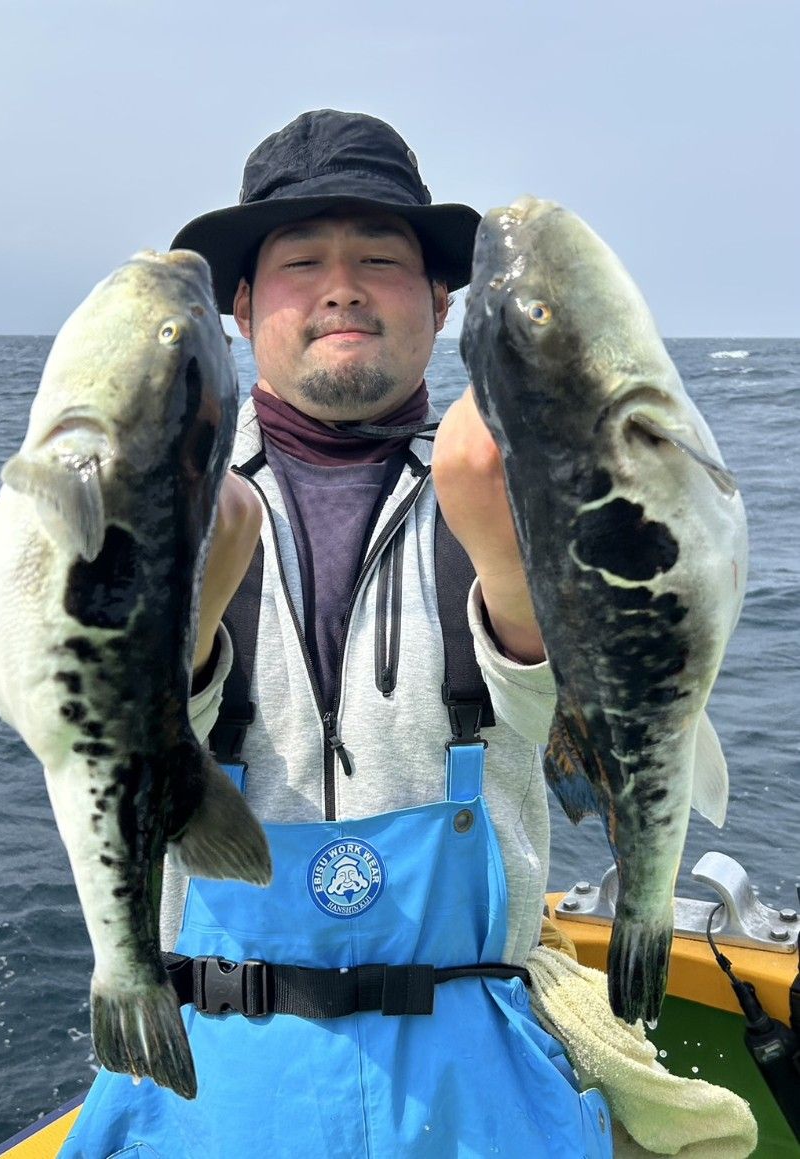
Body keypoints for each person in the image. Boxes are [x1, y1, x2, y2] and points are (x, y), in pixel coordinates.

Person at [58, 109, 613, 1158]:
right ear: (239, 308)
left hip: (473, 1077)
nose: (341, 287)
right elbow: (95, 744)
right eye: (302, 260)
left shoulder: (516, 482)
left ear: (442, 301)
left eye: (380, 259)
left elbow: (582, 740)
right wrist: (180, 605)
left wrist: (515, 563)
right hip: (202, 1071)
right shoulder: (147, 501)